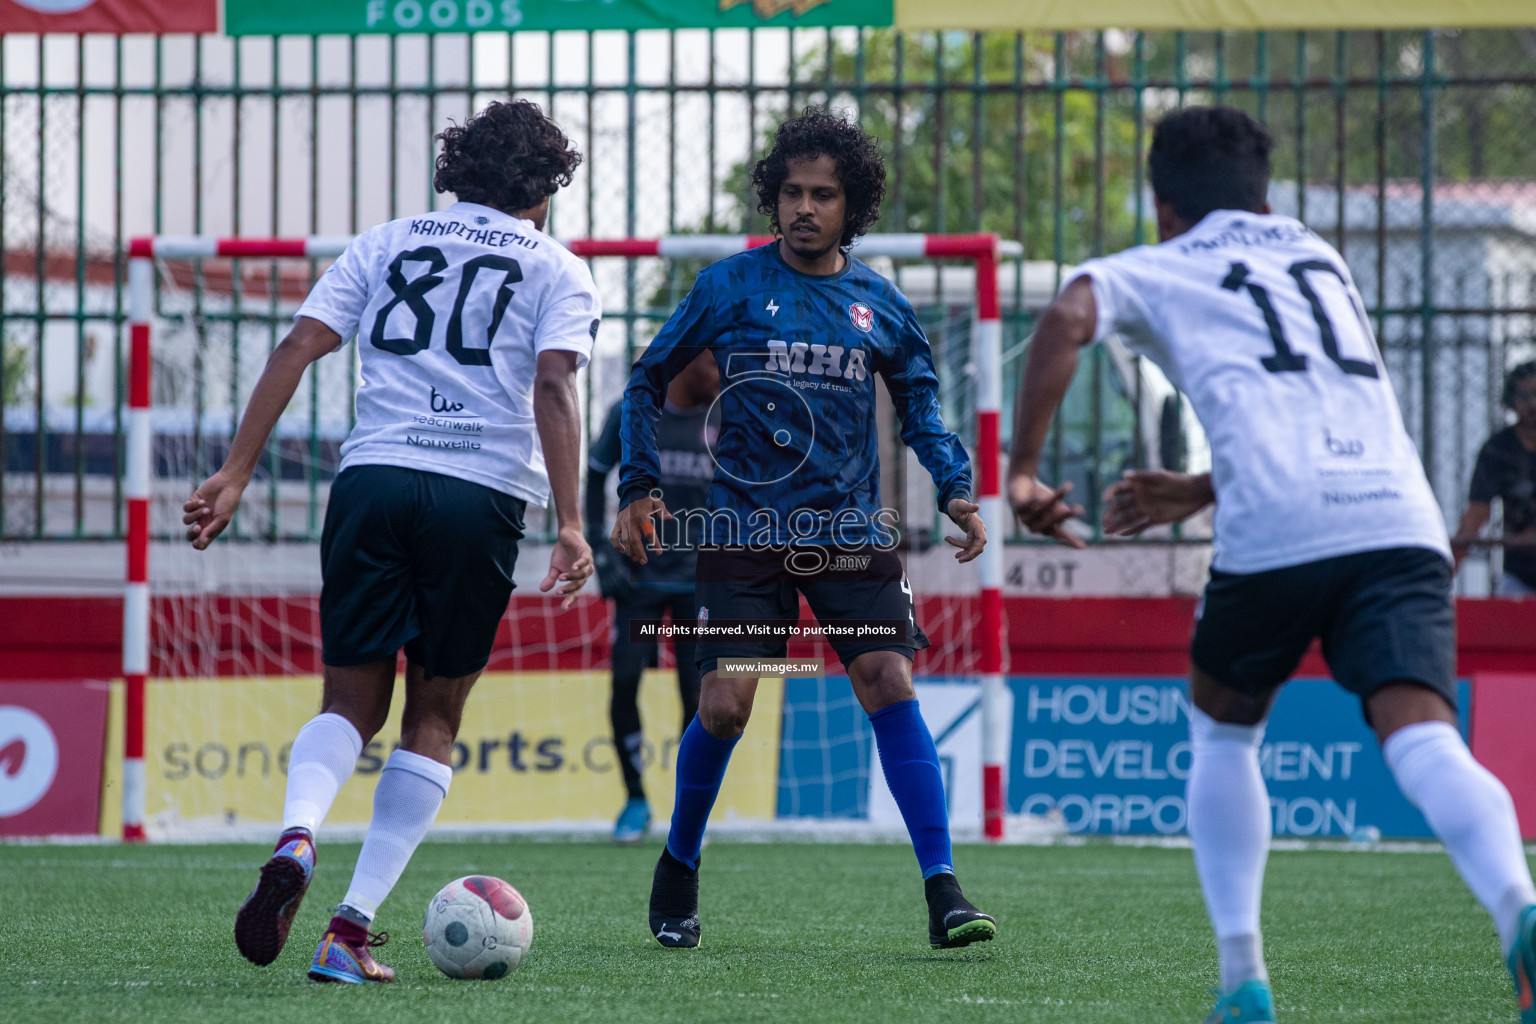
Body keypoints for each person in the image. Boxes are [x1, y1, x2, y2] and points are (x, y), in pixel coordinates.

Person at [1008, 106, 1536, 1024]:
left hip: (1279, 530)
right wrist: (1202, 488)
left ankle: (1243, 982)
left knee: (1223, 729)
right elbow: (1310, 404)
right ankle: (1519, 910)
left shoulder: (1162, 264)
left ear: (1163, 206)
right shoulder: (1319, 256)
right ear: (1264, 192)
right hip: (1398, 516)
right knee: (1422, 735)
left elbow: (1065, 314)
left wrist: (1018, 471)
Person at [185, 100, 597, 984]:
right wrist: (569, 521)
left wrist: (235, 474)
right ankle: (349, 929)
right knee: (434, 716)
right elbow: (555, 387)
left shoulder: (385, 241)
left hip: (370, 482)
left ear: (458, 171)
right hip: (477, 494)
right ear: (546, 189)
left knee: (349, 701)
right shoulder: (558, 266)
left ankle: (298, 831)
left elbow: (297, 347)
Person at [612, 108, 995, 952]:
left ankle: (945, 890)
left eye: (823, 195)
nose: (805, 208)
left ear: (849, 208)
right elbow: (645, 378)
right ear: (773, 198)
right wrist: (637, 484)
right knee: (725, 705)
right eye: (792, 192)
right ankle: (679, 861)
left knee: (888, 679)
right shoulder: (728, 287)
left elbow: (922, 407)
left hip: (850, 533)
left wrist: (956, 488)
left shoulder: (880, 304)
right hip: (746, 536)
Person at [586, 350, 718, 842]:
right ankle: (635, 798)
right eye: (712, 365)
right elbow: (595, 473)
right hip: (638, 577)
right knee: (623, 683)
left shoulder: (730, 412)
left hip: (701, 582)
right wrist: (602, 550)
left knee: (696, 695)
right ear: (686, 365)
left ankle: (689, 809)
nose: (721, 375)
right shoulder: (632, 411)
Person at [1453, 360, 1536, 597]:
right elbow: (1476, 515)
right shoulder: (1499, 449)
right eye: (1524, 395)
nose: (1532, 404)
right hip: (1519, 575)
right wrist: (1445, 577)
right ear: (1512, 400)